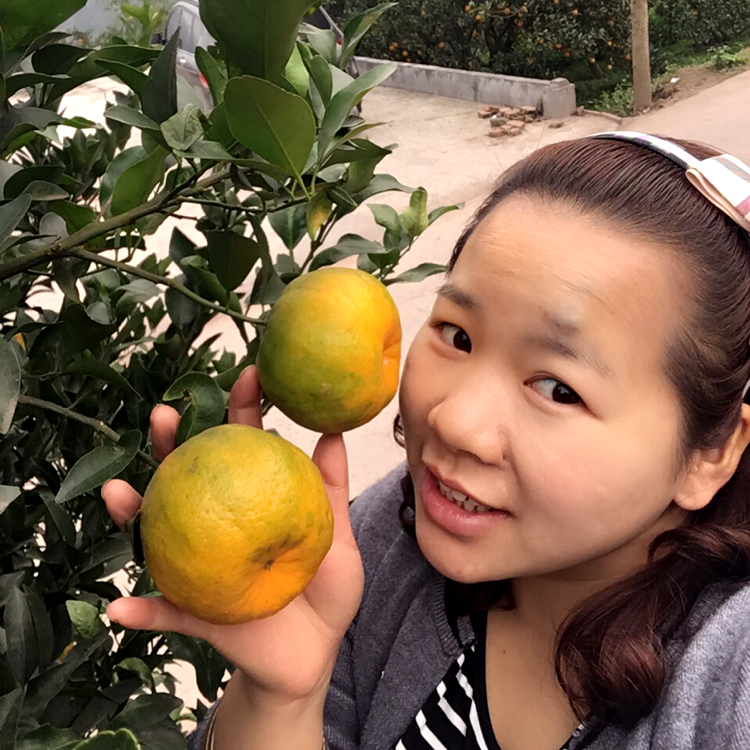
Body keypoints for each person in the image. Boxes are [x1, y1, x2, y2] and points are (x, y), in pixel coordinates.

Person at [102, 131, 750, 750]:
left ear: (711, 452)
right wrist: (283, 701)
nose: (453, 421)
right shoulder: (389, 538)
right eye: (458, 335)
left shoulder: (728, 679)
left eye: (557, 388)